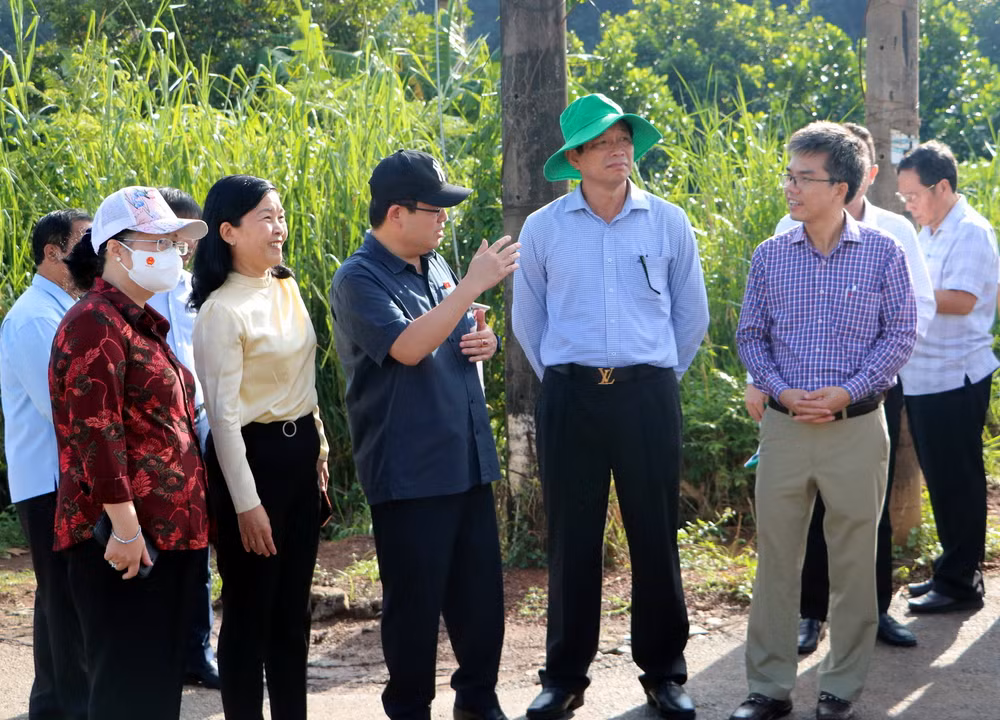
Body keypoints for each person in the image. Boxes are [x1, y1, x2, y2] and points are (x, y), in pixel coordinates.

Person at [513, 93, 709, 720]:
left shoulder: (667, 220)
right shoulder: (544, 227)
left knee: (655, 533)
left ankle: (665, 674)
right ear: (574, 158)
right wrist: (573, 380)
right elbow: (529, 318)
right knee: (572, 536)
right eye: (602, 142)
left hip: (647, 394)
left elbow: (690, 315)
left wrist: (650, 376)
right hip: (570, 396)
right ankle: (565, 676)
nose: (619, 150)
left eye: (624, 138)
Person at [732, 122, 916, 720]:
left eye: (803, 178)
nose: (790, 187)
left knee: (854, 562)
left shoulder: (885, 252)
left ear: (842, 187)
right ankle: (769, 687)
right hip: (784, 430)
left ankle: (840, 688)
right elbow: (750, 336)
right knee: (776, 561)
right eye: (789, 175)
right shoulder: (770, 254)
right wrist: (782, 389)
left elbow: (900, 335)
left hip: (857, 428)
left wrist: (845, 391)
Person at [330, 149, 517, 720]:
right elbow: (409, 348)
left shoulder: (432, 266)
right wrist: (471, 286)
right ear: (395, 213)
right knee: (414, 605)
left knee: (480, 598)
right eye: (433, 209)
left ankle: (478, 702)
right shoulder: (357, 277)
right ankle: (409, 709)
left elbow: (449, 340)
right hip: (409, 467)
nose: (443, 219)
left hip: (464, 456)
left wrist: (482, 345)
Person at [49, 186, 210, 720]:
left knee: (155, 691)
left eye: (177, 244)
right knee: (126, 692)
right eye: (160, 241)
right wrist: (124, 529)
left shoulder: (138, 322)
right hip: (125, 548)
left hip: (165, 538)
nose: (174, 253)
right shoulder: (95, 321)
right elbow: (96, 434)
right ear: (115, 249)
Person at [191, 175, 329, 720]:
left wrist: (318, 452)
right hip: (249, 462)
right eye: (266, 218)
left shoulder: (286, 285)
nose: (279, 229)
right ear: (228, 231)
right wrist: (247, 504)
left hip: (298, 459)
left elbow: (305, 378)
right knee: (250, 611)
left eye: (281, 215)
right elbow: (223, 419)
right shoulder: (221, 311)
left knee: (293, 611)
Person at [895, 140, 999, 614]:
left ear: (942, 187)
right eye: (903, 198)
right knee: (941, 480)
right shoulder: (931, 231)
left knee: (958, 479)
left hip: (954, 378)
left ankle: (961, 580)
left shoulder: (971, 232)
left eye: (913, 195)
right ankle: (950, 567)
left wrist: (900, 293)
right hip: (922, 376)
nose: (908, 205)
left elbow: (962, 299)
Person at [0, 209, 91, 720]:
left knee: (59, 597)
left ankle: (53, 705)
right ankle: (69, 707)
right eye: (83, 243)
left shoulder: (61, 309)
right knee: (65, 597)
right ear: (52, 254)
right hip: (50, 480)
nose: (93, 253)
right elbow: (63, 407)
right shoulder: (37, 317)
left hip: (61, 477)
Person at [145, 187, 220, 690]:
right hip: (154, 438)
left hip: (200, 427)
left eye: (190, 237)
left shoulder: (200, 289)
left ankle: (198, 649)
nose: (184, 246)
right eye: (175, 235)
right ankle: (156, 651)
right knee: (154, 545)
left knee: (200, 546)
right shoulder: (139, 291)